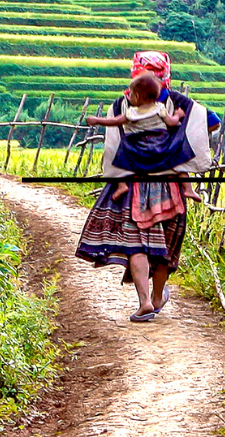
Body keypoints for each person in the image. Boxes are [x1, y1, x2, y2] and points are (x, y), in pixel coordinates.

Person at [75, 50, 216, 323]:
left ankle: (144, 302)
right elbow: (210, 124)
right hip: (171, 186)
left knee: (136, 243)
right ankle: (158, 295)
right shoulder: (181, 103)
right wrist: (175, 142)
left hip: (135, 185)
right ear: (166, 77)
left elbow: (114, 141)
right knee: (166, 244)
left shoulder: (123, 105)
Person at [85, 72, 197, 204]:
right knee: (179, 160)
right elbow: (172, 122)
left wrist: (97, 120)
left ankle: (122, 185)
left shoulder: (131, 112)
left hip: (138, 146)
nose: (129, 96)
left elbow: (114, 122)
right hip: (161, 144)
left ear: (137, 96)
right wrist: (178, 115)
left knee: (119, 155)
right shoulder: (160, 108)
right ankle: (188, 188)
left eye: (130, 94)